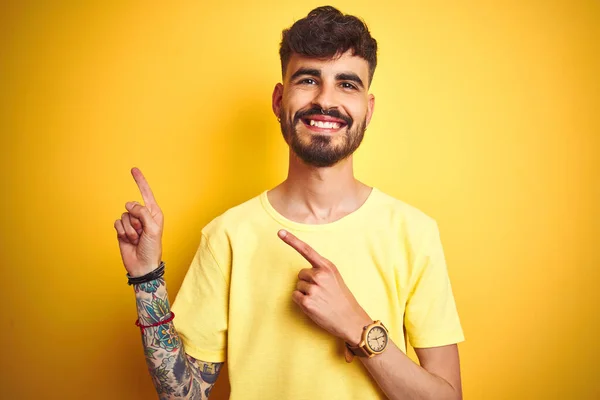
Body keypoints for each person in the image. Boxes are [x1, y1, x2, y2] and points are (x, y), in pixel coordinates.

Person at [114, 6, 464, 400]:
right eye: (308, 79)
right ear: (280, 99)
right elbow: (183, 396)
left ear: (369, 108)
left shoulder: (413, 233)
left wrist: (358, 327)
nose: (325, 101)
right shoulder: (228, 235)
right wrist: (147, 280)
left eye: (347, 84)